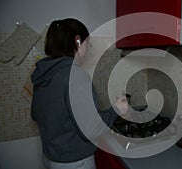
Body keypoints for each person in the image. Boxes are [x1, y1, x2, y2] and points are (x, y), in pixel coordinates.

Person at [31, 18, 128, 169]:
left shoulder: (43, 73)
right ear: (77, 41)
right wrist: (116, 109)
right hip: (75, 162)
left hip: (51, 159)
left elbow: (36, 115)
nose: (88, 48)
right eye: (87, 43)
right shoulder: (75, 75)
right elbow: (92, 130)